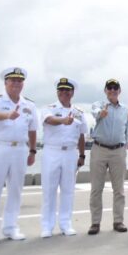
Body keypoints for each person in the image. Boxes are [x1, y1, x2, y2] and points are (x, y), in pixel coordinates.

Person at [0, 67, 38, 245]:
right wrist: (7, 115)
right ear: (5, 83)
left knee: (15, 190)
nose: (16, 83)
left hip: (20, 149)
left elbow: (33, 129)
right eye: (12, 80)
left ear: (23, 84)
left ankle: (11, 227)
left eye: (19, 81)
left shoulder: (29, 105)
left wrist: (33, 150)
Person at [40, 78, 88, 238]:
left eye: (67, 90)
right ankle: (47, 226)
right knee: (49, 190)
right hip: (52, 152)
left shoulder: (79, 112)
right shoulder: (49, 108)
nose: (64, 93)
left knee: (68, 190)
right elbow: (48, 120)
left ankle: (66, 224)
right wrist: (63, 120)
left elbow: (82, 135)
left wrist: (82, 155)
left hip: (70, 153)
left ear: (72, 93)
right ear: (57, 92)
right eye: (61, 90)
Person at [88, 79, 128, 235]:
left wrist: (124, 147)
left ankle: (118, 221)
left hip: (118, 151)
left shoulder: (125, 109)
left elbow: (125, 130)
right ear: (105, 90)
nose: (112, 90)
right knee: (96, 188)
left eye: (115, 88)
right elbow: (96, 113)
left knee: (119, 189)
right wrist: (102, 113)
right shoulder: (98, 105)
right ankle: (95, 223)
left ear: (120, 91)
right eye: (109, 88)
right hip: (100, 149)